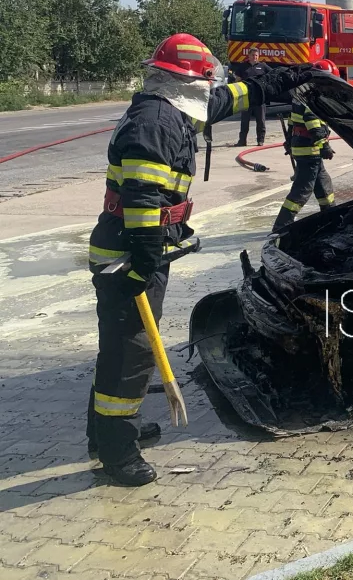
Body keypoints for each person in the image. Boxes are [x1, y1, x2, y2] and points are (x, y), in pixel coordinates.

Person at [87, 34, 310, 486]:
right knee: (130, 353)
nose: (211, 91)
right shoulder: (154, 122)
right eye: (206, 82)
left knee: (121, 346)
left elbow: (225, 100)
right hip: (127, 254)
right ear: (189, 82)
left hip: (134, 248)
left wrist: (279, 81)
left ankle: (105, 432)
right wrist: (145, 259)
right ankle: (116, 449)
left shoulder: (170, 107)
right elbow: (142, 193)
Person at [272, 59, 340, 232]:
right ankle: (282, 225)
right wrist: (323, 144)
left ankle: (329, 215)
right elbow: (313, 121)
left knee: (323, 184)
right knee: (302, 189)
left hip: (303, 146)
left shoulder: (300, 93)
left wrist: (288, 141)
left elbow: (292, 121)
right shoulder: (313, 95)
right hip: (310, 148)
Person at [234, 47, 268, 147]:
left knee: (261, 120)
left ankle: (260, 140)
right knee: (244, 120)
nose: (254, 57)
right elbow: (237, 80)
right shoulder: (243, 67)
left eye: (256, 55)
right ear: (249, 56)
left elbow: (271, 77)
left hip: (259, 98)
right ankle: (242, 141)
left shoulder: (263, 67)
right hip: (246, 97)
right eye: (253, 55)